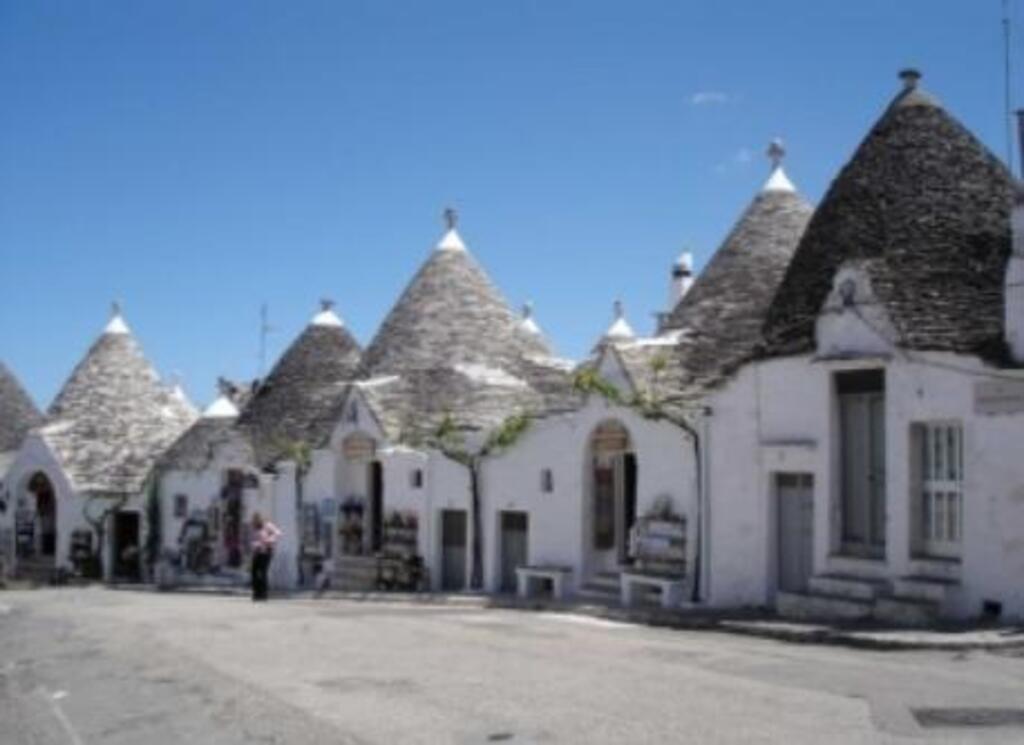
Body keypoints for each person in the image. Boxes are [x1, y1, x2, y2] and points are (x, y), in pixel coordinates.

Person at [250, 512, 281, 601]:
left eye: (256, 519)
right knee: (254, 572)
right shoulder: (254, 528)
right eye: (254, 520)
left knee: (262, 572)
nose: (255, 522)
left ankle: (263, 594)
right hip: (257, 551)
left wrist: (269, 540)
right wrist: (254, 544)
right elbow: (252, 539)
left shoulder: (268, 525)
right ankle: (256, 593)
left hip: (267, 551)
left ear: (260, 519)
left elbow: (278, 533)